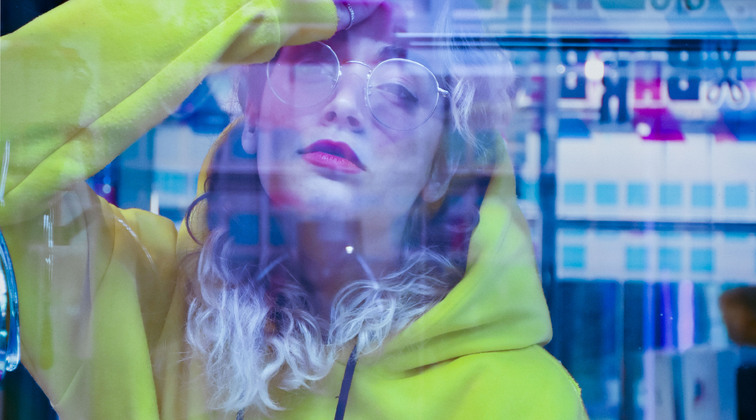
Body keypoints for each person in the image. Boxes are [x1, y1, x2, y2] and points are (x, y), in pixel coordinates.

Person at [0, 0, 588, 418]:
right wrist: (252, 7)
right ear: (252, 114)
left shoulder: (520, 399)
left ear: (441, 170)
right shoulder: (144, 292)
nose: (346, 104)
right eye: (312, 63)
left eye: (400, 90)